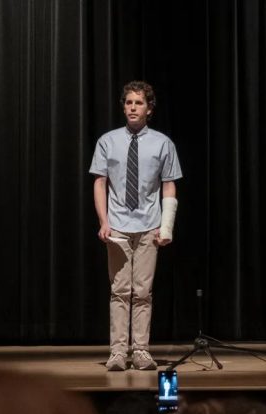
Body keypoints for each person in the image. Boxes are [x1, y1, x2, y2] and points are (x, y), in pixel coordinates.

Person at [90, 80, 182, 371]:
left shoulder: (163, 143)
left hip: (148, 226)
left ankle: (141, 350)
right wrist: (104, 222)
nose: (132, 107)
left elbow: (168, 186)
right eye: (128, 102)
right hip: (118, 225)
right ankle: (118, 352)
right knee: (120, 290)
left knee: (142, 292)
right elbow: (100, 182)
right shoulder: (108, 141)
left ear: (149, 109)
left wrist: (166, 227)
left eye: (138, 103)